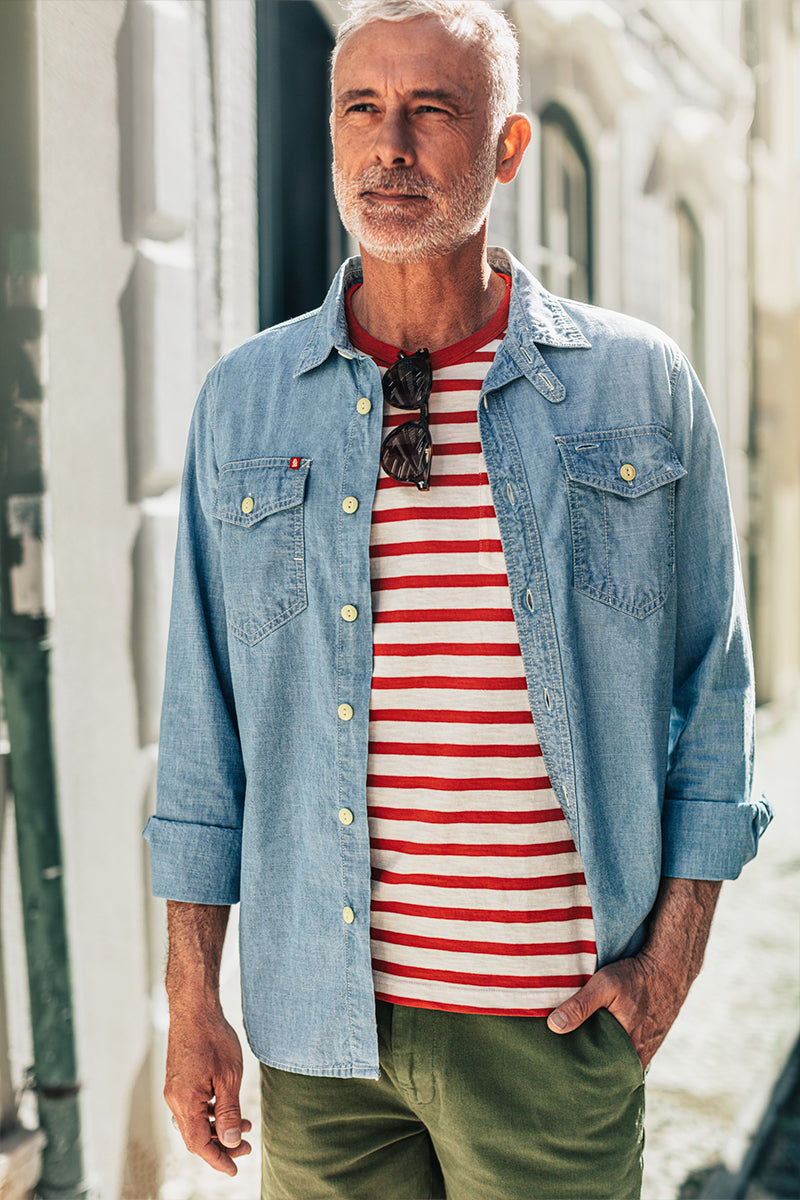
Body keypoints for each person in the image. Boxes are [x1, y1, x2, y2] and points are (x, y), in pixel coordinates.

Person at [144, 2, 772, 1197]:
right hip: (319, 1037)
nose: (391, 146)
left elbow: (713, 693)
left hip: (551, 1027)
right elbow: (201, 733)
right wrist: (192, 1006)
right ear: (333, 138)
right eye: (362, 110)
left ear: (508, 146)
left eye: (432, 111)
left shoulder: (632, 387)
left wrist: (668, 966)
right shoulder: (247, 402)